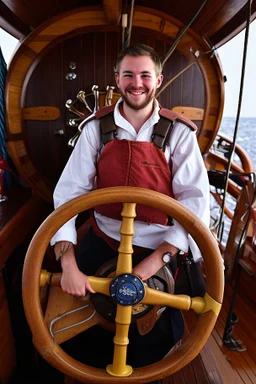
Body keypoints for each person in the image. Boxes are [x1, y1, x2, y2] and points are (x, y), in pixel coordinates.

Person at [50, 44, 210, 373]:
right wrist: (68, 264)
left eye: (144, 75)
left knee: (153, 344)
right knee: (77, 335)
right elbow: (69, 194)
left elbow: (194, 206)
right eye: (128, 75)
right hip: (103, 239)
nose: (137, 83)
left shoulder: (179, 132)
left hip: (159, 247)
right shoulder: (95, 128)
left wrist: (151, 266)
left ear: (159, 80)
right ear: (117, 80)